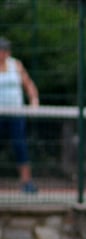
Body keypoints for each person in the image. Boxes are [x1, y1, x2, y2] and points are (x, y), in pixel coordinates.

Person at [0, 36, 39, 194]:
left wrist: (34, 100)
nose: (4, 53)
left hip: (16, 114)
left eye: (6, 50)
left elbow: (28, 84)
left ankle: (26, 182)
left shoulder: (15, 64)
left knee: (20, 146)